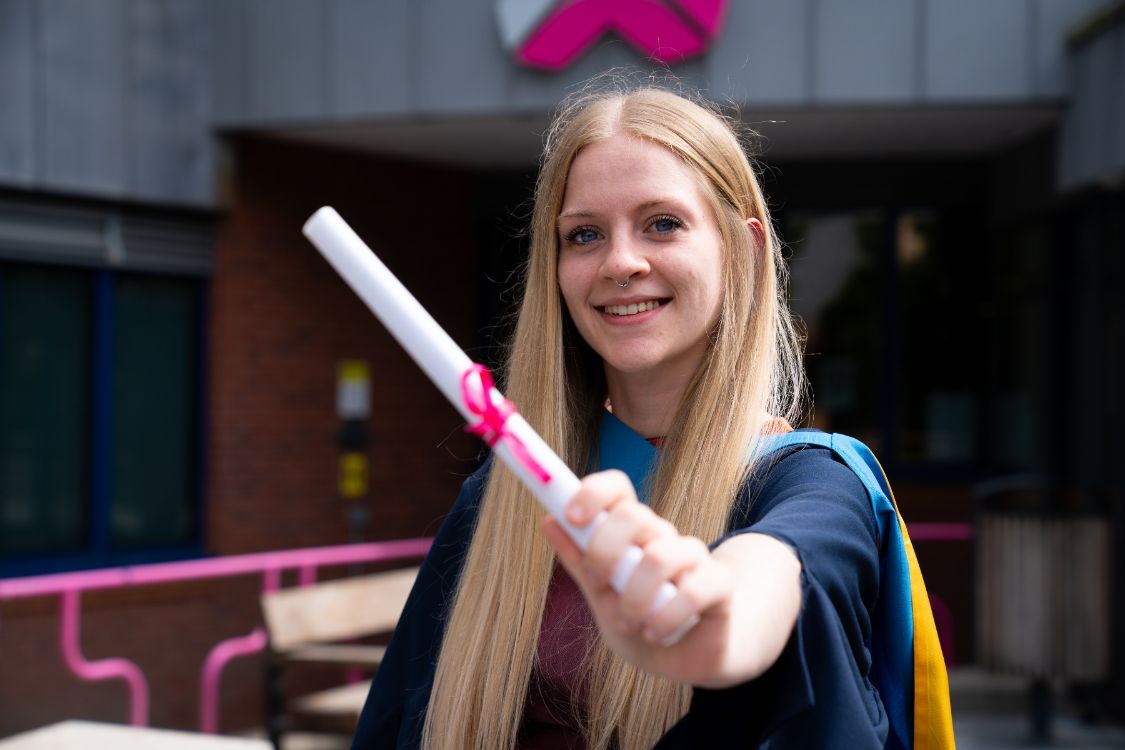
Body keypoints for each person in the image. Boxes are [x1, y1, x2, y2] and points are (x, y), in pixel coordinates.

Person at [352, 83, 894, 749]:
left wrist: (716, 629)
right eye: (584, 234)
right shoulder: (502, 498)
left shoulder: (812, 484)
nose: (620, 263)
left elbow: (774, 576)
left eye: (662, 223)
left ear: (744, 251)